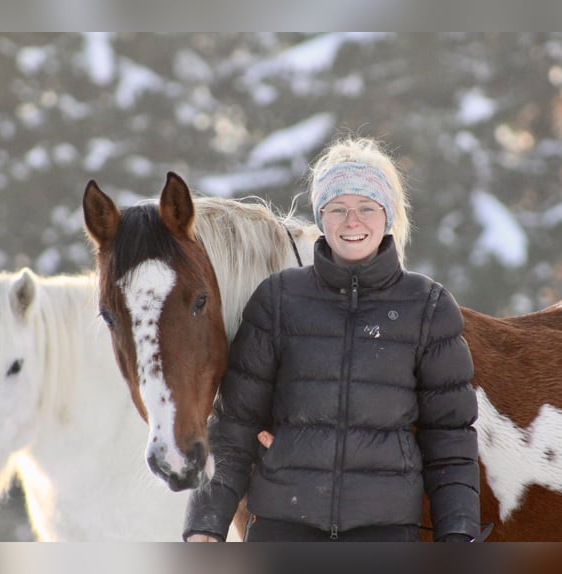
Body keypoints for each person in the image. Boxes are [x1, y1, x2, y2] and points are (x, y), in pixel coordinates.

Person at [184, 136, 480, 542]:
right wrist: (205, 525)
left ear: (387, 215)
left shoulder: (426, 306)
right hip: (284, 527)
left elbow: (450, 437)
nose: (351, 221)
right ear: (321, 218)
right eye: (337, 209)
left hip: (383, 534)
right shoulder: (278, 299)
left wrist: (458, 534)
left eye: (366, 208)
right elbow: (234, 425)